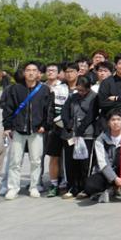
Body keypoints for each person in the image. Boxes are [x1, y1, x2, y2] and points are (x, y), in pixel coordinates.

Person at [1, 61, 54, 200]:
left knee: (36, 160)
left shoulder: (44, 90)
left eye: (34, 70)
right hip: (18, 129)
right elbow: (8, 108)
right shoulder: (15, 89)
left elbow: (49, 109)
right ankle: (13, 188)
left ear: (38, 73)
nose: (31, 72)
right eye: (28, 70)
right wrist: (7, 127)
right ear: (24, 73)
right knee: (15, 161)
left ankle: (34, 186)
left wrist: (45, 125)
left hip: (37, 130)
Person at [61, 74, 98, 199]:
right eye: (79, 89)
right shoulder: (73, 97)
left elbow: (91, 115)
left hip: (86, 134)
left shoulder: (94, 97)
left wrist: (81, 129)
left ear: (89, 88)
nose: (80, 92)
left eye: (83, 90)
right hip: (71, 134)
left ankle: (85, 188)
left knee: (85, 163)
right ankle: (72, 187)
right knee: (71, 162)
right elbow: (64, 111)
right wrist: (67, 123)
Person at [85, 109, 121, 203]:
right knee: (90, 185)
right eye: (113, 120)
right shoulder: (100, 139)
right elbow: (103, 162)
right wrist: (114, 178)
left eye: (118, 119)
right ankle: (108, 189)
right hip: (106, 172)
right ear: (108, 123)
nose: (116, 122)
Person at [43, 62, 71, 197]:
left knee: (68, 157)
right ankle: (53, 184)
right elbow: (50, 109)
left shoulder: (80, 88)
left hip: (71, 129)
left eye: (72, 71)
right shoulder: (57, 89)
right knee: (54, 156)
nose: (69, 74)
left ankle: (65, 183)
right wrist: (50, 125)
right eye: (67, 71)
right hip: (56, 128)